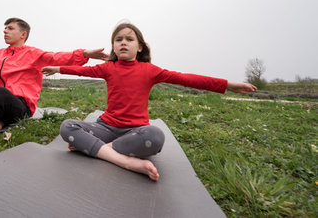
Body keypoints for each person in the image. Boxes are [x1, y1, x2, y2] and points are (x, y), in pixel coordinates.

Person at [42, 22, 257, 181]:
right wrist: (57, 68)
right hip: (105, 127)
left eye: (129, 39)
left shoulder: (150, 71)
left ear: (140, 47)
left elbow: (186, 78)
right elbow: (81, 71)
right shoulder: (107, 67)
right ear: (114, 48)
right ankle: (124, 161)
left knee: (155, 137)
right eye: (118, 40)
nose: (123, 42)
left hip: (135, 132)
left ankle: (97, 149)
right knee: (68, 126)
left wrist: (228, 84)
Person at [0, 17, 108, 131]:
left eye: (10, 28)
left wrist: (84, 53)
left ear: (23, 34)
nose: (5, 31)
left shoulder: (34, 54)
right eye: (5, 28)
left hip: (18, 106)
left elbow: (58, 57)